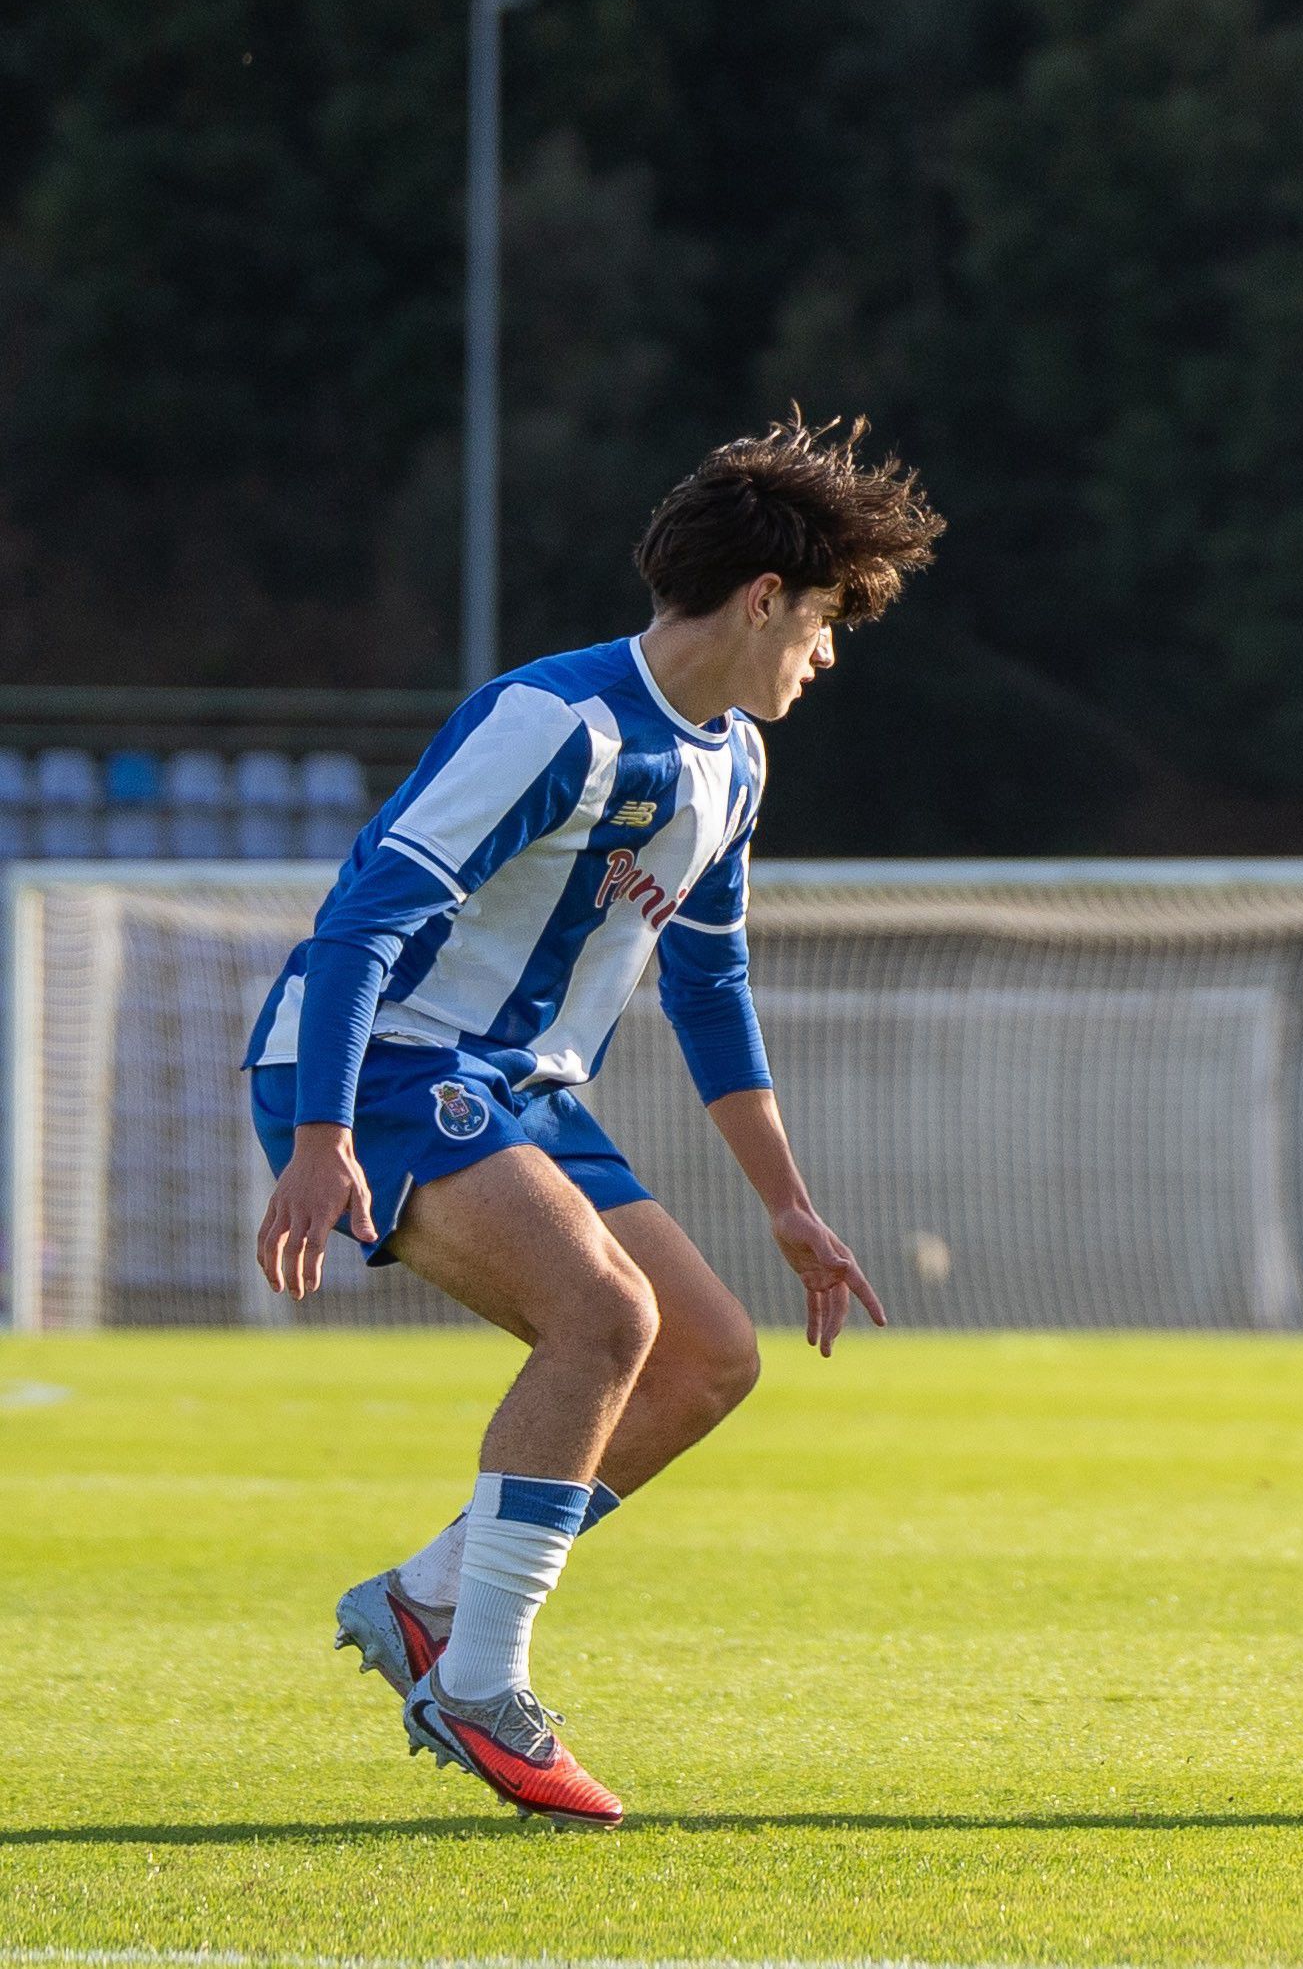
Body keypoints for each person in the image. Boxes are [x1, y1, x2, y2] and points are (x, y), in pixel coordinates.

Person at [244, 417, 943, 1826]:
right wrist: (322, 1139)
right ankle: (478, 1681)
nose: (824, 655)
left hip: (521, 1089)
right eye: (822, 622)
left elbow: (709, 983)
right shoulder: (552, 721)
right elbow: (363, 923)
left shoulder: (733, 765)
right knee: (606, 1316)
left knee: (706, 1357)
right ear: (763, 599)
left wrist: (788, 1202)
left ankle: (431, 1598)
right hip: (386, 1062)